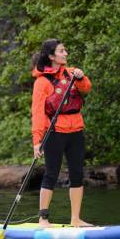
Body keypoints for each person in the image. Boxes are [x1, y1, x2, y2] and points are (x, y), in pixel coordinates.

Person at [31, 39, 93, 228]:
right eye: (61, 51)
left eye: (65, 50)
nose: (66, 53)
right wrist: (37, 140)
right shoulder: (42, 82)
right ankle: (43, 218)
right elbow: (38, 112)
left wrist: (81, 77)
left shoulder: (72, 73)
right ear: (51, 56)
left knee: (76, 173)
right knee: (51, 173)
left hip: (76, 129)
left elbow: (86, 88)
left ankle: (75, 219)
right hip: (55, 131)